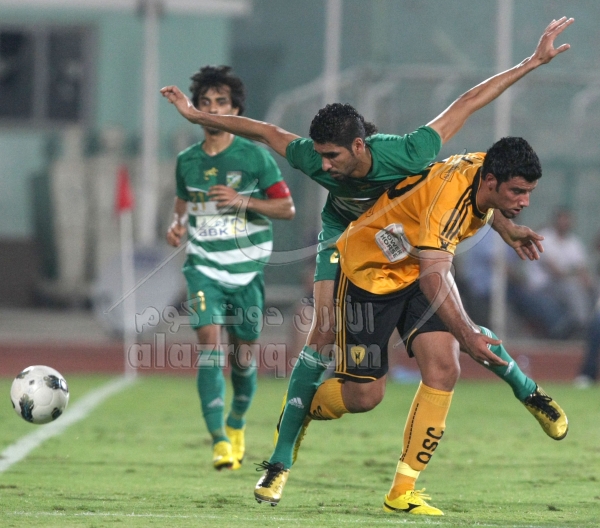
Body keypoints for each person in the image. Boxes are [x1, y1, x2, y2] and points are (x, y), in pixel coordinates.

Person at [161, 15, 572, 494]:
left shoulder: (409, 152)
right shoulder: (315, 157)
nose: (323, 166)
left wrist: (532, 62)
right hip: (345, 241)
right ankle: (279, 460)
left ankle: (420, 475)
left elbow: (468, 107)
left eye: (333, 156)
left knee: (444, 360)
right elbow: (262, 130)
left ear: (360, 146)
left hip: (407, 249)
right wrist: (197, 117)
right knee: (322, 334)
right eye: (319, 155)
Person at [268, 137, 565, 516]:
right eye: (518, 192)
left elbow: (465, 225)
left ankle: (402, 490)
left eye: (528, 192)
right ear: (492, 181)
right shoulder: (448, 205)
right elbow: (434, 277)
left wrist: (505, 225)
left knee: (444, 368)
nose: (525, 201)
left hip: (418, 267)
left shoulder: (484, 165)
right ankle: (301, 410)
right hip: (370, 275)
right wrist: (466, 333)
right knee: (365, 397)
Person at [166, 65, 295, 470]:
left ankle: (236, 421)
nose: (213, 110)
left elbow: (286, 208)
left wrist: (243, 201)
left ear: (236, 110)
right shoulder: (187, 161)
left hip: (246, 271)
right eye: (205, 103)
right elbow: (183, 201)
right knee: (209, 342)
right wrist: (176, 224)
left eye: (221, 102)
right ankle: (219, 440)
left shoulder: (255, 156)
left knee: (242, 356)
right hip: (203, 265)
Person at [519, 208, 594, 338]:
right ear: (556, 220)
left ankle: (590, 325)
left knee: (592, 286)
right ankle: (582, 325)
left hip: (562, 284)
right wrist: (575, 275)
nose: (565, 223)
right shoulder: (544, 237)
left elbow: (581, 269)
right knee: (572, 288)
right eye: (562, 220)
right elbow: (555, 271)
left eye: (567, 220)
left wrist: (588, 282)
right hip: (542, 285)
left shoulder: (573, 242)